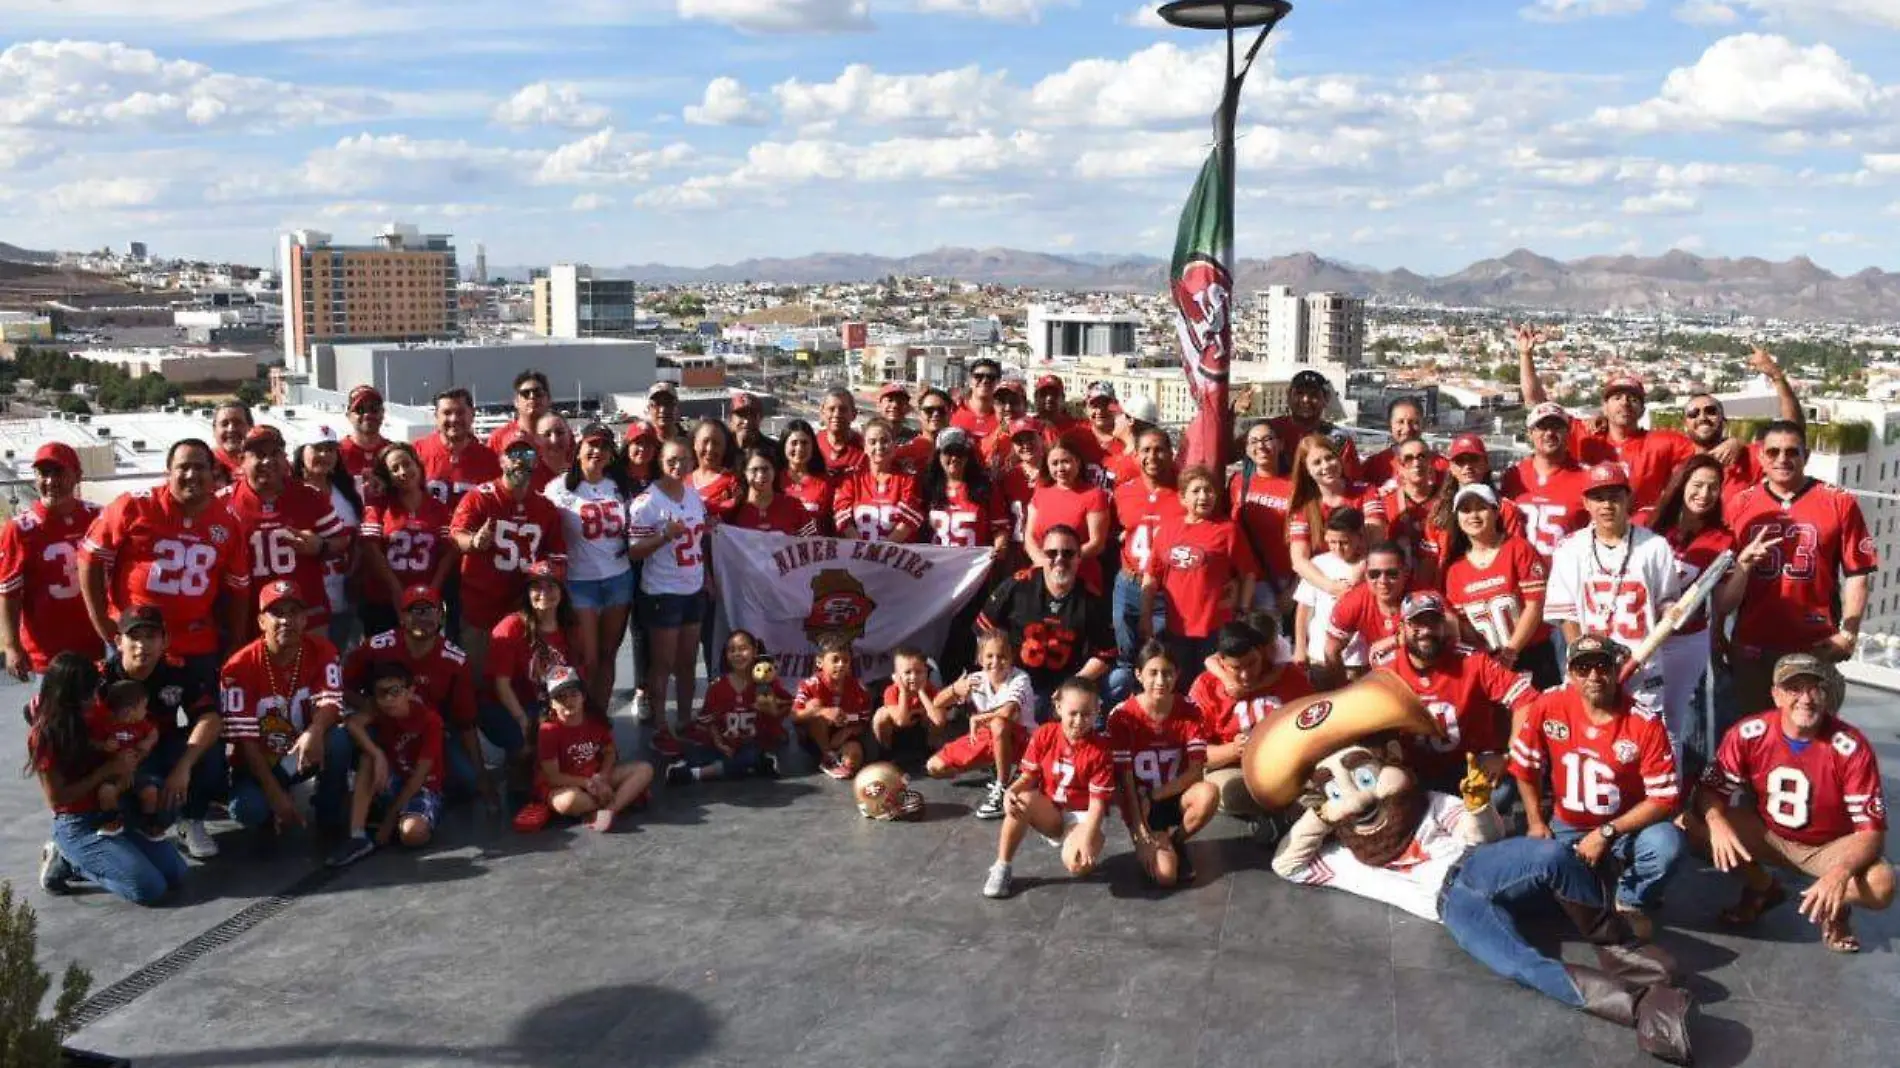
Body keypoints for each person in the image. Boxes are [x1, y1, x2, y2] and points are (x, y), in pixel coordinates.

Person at [1689, 654, 1894, 954]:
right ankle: (1763, 888)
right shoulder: (1749, 733)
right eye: (1794, 688)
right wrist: (1718, 822)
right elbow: (1710, 791)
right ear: (1775, 695)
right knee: (1693, 822)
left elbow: (1871, 833)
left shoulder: (1850, 746)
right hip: (1769, 834)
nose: (1806, 699)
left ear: (1827, 695)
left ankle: (1834, 907)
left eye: (1815, 689)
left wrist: (1840, 874)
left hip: (1828, 847)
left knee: (1881, 884)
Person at [1511, 635, 1684, 940]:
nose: (1594, 676)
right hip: (1567, 823)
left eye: (1602, 666)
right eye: (1583, 668)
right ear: (1570, 673)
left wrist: (1606, 833)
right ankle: (1595, 876)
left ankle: (1630, 899)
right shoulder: (1548, 705)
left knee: (1666, 846)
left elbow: (1664, 798)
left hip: (1626, 828)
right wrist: (1536, 823)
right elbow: (1525, 765)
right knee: (1530, 897)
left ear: (1616, 670)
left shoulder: (1644, 722)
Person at [1725, 419, 1877, 716]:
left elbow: (1858, 571)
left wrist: (1849, 632)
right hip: (1752, 643)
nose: (1782, 459)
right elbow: (1725, 578)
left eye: (1792, 451)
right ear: (1760, 456)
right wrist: (1720, 635)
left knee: (1812, 740)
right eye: (1773, 452)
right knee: (1755, 736)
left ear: (1806, 456)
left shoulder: (1839, 501)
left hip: (1814, 645)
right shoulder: (1738, 504)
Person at [80, 439, 251, 691]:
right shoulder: (134, 505)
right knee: (126, 719)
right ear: (168, 472)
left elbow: (238, 588)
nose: (192, 474)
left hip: (195, 640)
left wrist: (235, 641)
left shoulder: (227, 521)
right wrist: (101, 621)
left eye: (200, 467)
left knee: (206, 715)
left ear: (212, 472)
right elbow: (89, 559)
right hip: (138, 638)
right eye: (183, 467)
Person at [30, 653, 188, 904]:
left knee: (176, 873)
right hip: (78, 821)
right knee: (150, 888)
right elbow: (58, 798)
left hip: (115, 810)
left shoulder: (96, 711)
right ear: (68, 697)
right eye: (87, 696)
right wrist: (107, 771)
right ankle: (68, 861)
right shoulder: (47, 736)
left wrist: (131, 761)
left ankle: (118, 849)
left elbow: (132, 727)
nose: (94, 700)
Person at [1544, 463, 1681, 718]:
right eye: (1598, 498)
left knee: (1646, 744)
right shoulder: (1569, 549)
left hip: (1642, 668)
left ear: (1628, 498)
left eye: (1615, 497)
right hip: (1590, 673)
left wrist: (1671, 612)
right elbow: (1566, 615)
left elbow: (1666, 603)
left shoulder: (1655, 546)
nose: (1607, 505)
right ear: (1585, 503)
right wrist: (1585, 660)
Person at [1515, 324, 1697, 511]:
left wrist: (1728, 445)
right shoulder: (1586, 435)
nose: (1624, 403)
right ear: (1604, 407)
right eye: (1617, 398)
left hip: (1642, 532)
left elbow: (1707, 453)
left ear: (1643, 409)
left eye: (1633, 399)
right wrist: (1525, 356)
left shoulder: (1661, 443)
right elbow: (1538, 404)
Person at [220, 579, 352, 836]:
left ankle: (328, 810)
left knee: (337, 739)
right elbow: (245, 743)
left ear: (304, 619)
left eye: (294, 613)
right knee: (248, 809)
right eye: (277, 613)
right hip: (258, 762)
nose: (286, 620)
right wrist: (275, 795)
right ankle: (269, 811)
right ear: (261, 622)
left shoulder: (322, 650)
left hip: (299, 754)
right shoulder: (238, 668)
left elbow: (332, 702)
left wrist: (313, 731)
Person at [99, 605, 225, 859]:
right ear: (118, 642)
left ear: (165, 640)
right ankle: (75, 838)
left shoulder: (177, 670)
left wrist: (184, 766)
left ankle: (191, 820)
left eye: (151, 636)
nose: (142, 646)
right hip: (112, 763)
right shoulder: (100, 678)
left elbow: (210, 718)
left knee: (210, 748)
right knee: (120, 822)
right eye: (134, 637)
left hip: (159, 752)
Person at [1385, 591, 1536, 794]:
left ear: (1444, 626)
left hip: (1471, 766)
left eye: (1433, 622)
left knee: (1501, 793)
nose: (1426, 630)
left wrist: (1507, 755)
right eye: (1416, 623)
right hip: (1417, 774)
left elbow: (1527, 698)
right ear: (1402, 628)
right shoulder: (1387, 672)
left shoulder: (1472, 661)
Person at [343, 585, 483, 802]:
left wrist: (482, 774)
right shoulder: (376, 647)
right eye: (414, 611)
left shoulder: (456, 660)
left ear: (440, 616)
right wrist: (370, 706)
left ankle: (427, 799)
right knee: (342, 741)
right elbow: (341, 687)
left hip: (428, 733)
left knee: (468, 780)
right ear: (402, 617)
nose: (422, 618)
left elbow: (466, 722)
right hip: (382, 727)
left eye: (429, 611)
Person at [1640, 455, 1736, 770]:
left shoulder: (1722, 538)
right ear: (1682, 484)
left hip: (1686, 640)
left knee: (1673, 721)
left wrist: (1744, 565)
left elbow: (1722, 603)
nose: (1705, 494)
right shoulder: (1647, 523)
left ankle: (1670, 795)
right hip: (1642, 636)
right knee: (1639, 715)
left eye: (1713, 487)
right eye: (1698, 485)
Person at [982, 679, 1115, 899]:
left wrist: (1088, 836)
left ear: (1096, 712)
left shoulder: (1100, 750)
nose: (1079, 721)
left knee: (1078, 864)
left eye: (1086, 714)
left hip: (1082, 817)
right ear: (1059, 707)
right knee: (1021, 800)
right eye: (1073, 713)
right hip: (1052, 810)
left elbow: (1097, 804)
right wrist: (1011, 791)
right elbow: (1028, 776)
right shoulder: (1045, 734)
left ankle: (1081, 841)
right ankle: (1002, 865)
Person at [450, 437, 567, 686]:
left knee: (525, 678)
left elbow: (557, 556)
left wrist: (545, 587)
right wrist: (474, 542)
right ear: (501, 460)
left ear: (537, 462)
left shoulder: (545, 506)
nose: (519, 462)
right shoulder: (480, 497)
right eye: (513, 455)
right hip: (482, 604)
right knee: (477, 677)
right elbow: (456, 535)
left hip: (525, 607)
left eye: (527, 455)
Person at [222, 425, 350, 639]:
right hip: (250, 616)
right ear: (242, 459)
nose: (267, 461)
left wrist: (321, 546)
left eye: (274, 454)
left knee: (310, 668)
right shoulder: (223, 503)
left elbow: (342, 540)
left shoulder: (310, 496)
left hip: (306, 612)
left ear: (285, 457)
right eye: (259, 455)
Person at [978, 526, 1117, 718]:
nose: (1059, 559)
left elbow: (1106, 653)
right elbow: (984, 630)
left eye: (1068, 553)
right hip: (1015, 681)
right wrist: (998, 674)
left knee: (1118, 679)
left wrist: (1074, 684)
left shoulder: (1091, 599)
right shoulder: (1017, 585)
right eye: (1052, 553)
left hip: (1063, 686)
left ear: (1079, 557)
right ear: (1042, 556)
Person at [1108, 642, 1216, 888]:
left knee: (1209, 793)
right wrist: (1140, 831)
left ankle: (1177, 841)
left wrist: (1154, 795)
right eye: (1153, 673)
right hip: (1141, 805)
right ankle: (1157, 841)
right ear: (1138, 674)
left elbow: (1195, 771)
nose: (1160, 680)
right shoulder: (1122, 716)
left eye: (1167, 673)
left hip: (1167, 795)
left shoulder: (1189, 709)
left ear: (1177, 674)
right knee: (1166, 877)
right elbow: (1124, 780)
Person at [545, 423, 637, 714]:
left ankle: (601, 716)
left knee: (609, 655)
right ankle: (581, 717)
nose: (597, 451)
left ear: (612, 454)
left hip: (618, 577)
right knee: (588, 657)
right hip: (579, 581)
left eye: (604, 447)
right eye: (592, 445)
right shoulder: (558, 488)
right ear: (579, 448)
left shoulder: (619, 485)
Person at [627, 438, 709, 758]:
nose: (679, 466)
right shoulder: (647, 501)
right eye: (672, 460)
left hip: (692, 587)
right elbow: (634, 550)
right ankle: (661, 726)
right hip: (663, 590)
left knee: (687, 662)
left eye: (684, 459)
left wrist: (708, 577)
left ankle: (686, 720)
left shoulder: (693, 495)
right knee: (662, 663)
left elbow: (698, 540)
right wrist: (664, 536)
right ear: (661, 462)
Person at [1190, 615, 1312, 825]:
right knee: (1224, 790)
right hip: (1237, 770)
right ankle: (1286, 812)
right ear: (1221, 662)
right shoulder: (1206, 686)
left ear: (1262, 652)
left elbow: (1316, 723)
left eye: (1252, 663)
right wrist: (1234, 749)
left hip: (1289, 763)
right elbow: (1196, 753)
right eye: (1236, 668)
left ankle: (1288, 811)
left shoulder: (1288, 674)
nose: (1246, 675)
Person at [1142, 465, 1259, 678]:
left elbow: (1248, 574)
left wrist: (1242, 609)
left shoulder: (1228, 530)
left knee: (1212, 683)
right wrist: (1146, 615)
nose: (1204, 496)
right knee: (1181, 682)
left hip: (1215, 627)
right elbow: (1151, 576)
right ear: (1182, 498)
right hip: (1176, 627)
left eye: (1209, 490)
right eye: (1196, 491)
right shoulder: (1167, 530)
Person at [1, 442, 102, 681]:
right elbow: (9, 592)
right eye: (44, 473)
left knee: (100, 716)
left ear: (77, 476)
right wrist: (12, 646)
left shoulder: (99, 518)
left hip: (98, 643)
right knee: (52, 717)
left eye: (59, 472)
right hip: (48, 651)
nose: (51, 481)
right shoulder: (19, 529)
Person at [329, 660, 444, 868]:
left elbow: (419, 777)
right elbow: (352, 723)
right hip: (393, 779)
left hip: (421, 786)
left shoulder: (430, 721)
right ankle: (358, 836)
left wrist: (390, 821)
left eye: (396, 691)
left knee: (412, 834)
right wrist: (377, 753)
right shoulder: (380, 710)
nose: (390, 699)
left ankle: (395, 820)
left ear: (410, 691)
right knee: (368, 758)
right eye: (382, 693)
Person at [1441, 483, 1558, 687]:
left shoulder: (1519, 549)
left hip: (1533, 655)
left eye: (1481, 508)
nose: (1473, 516)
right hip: (1489, 663)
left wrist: (1510, 651)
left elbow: (1535, 605)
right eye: (1466, 510)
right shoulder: (1455, 570)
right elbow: (1464, 625)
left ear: (1496, 511)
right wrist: (1487, 657)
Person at [517, 666, 654, 833]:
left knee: (645, 770)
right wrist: (588, 783)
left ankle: (609, 810)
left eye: (574, 694)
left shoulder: (595, 721)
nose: (568, 701)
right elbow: (553, 777)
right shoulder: (548, 731)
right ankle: (622, 798)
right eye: (560, 697)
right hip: (565, 786)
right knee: (570, 801)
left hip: (596, 780)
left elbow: (610, 752)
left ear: (583, 697)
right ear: (551, 704)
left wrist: (602, 776)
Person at [926, 631, 1034, 820]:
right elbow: (937, 703)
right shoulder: (976, 679)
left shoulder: (1019, 678)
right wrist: (955, 689)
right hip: (989, 737)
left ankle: (1002, 786)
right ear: (979, 659)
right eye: (990, 656)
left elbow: (1009, 712)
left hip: (1023, 741)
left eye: (1002, 656)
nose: (996, 662)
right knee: (935, 767)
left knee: (999, 724)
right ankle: (997, 765)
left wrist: (977, 718)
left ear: (1011, 657)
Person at [484, 560, 576, 779]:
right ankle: (518, 759)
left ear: (562, 592)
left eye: (551, 586)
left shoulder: (570, 628)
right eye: (537, 587)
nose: (544, 593)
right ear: (527, 593)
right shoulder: (510, 627)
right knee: (532, 744)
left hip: (546, 703)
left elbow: (574, 678)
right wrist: (524, 722)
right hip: (505, 706)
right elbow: (502, 686)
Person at [358, 442, 458, 641]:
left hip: (424, 600)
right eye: (394, 469)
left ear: (417, 465)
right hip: (383, 600)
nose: (403, 472)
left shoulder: (438, 508)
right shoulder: (379, 506)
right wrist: (395, 589)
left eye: (406, 464)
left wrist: (434, 589)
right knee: (384, 662)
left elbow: (449, 551)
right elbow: (370, 548)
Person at [1680, 346, 1801, 500]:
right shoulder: (1674, 457)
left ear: (1724, 422)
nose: (1702, 417)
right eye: (1693, 413)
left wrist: (1776, 376)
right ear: (1685, 424)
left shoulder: (1747, 458)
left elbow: (1793, 432)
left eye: (1711, 411)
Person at [668, 629, 787, 784]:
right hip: (723, 744)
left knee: (749, 756)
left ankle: (695, 774)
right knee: (696, 753)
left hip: (752, 743)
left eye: (743, 649)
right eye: (732, 650)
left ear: (754, 650)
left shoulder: (766, 683)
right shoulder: (717, 687)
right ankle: (752, 767)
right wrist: (719, 742)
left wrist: (769, 707)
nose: (737, 654)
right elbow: (709, 719)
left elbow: (784, 709)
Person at [1113, 426, 1183, 665]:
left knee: (1161, 654)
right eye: (1146, 450)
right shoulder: (1123, 492)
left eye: (1159, 450)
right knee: (1126, 652)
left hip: (1166, 587)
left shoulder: (1184, 493)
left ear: (1171, 453)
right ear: (1136, 455)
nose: (1152, 456)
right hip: (1129, 581)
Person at [1287, 432, 1385, 600]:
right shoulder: (1304, 508)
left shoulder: (1365, 491)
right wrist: (1332, 587)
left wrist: (1356, 576)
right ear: (1307, 470)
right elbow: (1299, 560)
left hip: (1365, 577)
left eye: (1329, 458)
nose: (1326, 466)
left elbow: (1376, 538)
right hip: (1323, 585)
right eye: (1317, 462)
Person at [292, 425, 364, 652]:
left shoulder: (349, 490)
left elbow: (360, 538)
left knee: (344, 658)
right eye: (318, 449)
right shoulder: (289, 492)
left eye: (331, 450)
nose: (325, 455)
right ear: (301, 452)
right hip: (306, 600)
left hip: (345, 593)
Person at [1501, 402, 1594, 559]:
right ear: (1530, 433)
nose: (1549, 433)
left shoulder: (1587, 476)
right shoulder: (1513, 475)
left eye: (1557, 427)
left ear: (1568, 432)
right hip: (1521, 575)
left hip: (1567, 576)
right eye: (1542, 427)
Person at [1424, 433, 1525, 575]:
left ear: (1486, 464)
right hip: (1452, 584)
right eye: (1460, 461)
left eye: (1474, 460)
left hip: (1494, 581)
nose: (1468, 467)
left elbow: (1516, 553)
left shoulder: (1506, 510)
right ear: (1451, 467)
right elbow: (1432, 562)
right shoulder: (1438, 511)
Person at [1291, 508, 1369, 681]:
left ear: (1359, 537)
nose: (1338, 548)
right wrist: (1300, 647)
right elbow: (1304, 610)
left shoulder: (1371, 566)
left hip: (1357, 658)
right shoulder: (1319, 564)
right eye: (1332, 542)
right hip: (1320, 656)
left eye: (1344, 542)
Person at [1322, 540, 1410, 684]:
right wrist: (1343, 692)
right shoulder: (1352, 602)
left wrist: (1396, 641)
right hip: (1381, 678)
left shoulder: (1421, 595)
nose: (1383, 581)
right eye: (1374, 574)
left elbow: (1449, 630)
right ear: (1366, 574)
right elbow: (1331, 649)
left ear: (1405, 572)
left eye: (1392, 573)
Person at [1025, 441, 1110, 586]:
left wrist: (1061, 561)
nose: (1060, 468)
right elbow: (1029, 537)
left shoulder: (1094, 495)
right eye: (1054, 463)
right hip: (1043, 575)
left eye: (1065, 461)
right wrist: (1042, 562)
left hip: (1081, 578)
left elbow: (1096, 543)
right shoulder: (1040, 493)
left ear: (1077, 461)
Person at [1227, 421, 1291, 614]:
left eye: (1267, 439)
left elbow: (1309, 541)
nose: (1260, 446)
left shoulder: (1296, 485)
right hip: (1242, 580)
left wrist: (1293, 590)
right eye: (1253, 441)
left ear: (1281, 444)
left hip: (1278, 582)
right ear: (1246, 449)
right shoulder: (1237, 483)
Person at [87, 679, 160, 838]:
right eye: (143, 707)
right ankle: (112, 820)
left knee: (150, 791)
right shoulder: (107, 724)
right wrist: (103, 745)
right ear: (129, 711)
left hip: (136, 770)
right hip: (114, 772)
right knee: (106, 792)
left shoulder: (142, 724)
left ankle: (149, 822)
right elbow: (90, 741)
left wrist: (147, 742)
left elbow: (154, 733)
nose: (145, 712)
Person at [793, 633, 872, 779]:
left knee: (853, 757)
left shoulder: (859, 688)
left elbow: (865, 720)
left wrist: (847, 731)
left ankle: (840, 762)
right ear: (820, 662)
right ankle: (827, 756)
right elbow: (794, 716)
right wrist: (822, 711)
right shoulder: (809, 685)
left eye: (845, 660)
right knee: (814, 705)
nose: (841, 665)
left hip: (843, 738)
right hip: (813, 740)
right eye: (835, 660)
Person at [831, 417, 922, 542]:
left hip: (897, 554)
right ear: (865, 447)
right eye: (872, 442)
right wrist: (864, 549)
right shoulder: (852, 478)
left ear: (894, 444)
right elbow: (842, 518)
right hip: (859, 554)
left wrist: (882, 551)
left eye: (885, 441)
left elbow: (909, 521)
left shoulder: (907, 479)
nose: (879, 446)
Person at [416, 388, 504, 510]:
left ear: (472, 414)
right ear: (436, 416)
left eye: (460, 412)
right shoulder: (416, 453)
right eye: (447, 413)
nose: (454, 419)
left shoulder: (491, 460)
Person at [1268, 370, 1361, 478]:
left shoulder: (1338, 440)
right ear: (1288, 396)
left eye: (1314, 395)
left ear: (1326, 398)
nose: (1305, 399)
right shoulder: (1271, 430)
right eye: (1299, 393)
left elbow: (1353, 482)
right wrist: (1243, 411)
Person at [1376, 436, 1443, 583]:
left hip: (1439, 580)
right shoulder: (1386, 501)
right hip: (1399, 583)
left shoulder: (1445, 501)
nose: (1417, 463)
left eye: (1421, 456)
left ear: (1431, 461)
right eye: (1408, 458)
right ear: (1400, 466)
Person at [1360, 398, 1446, 489]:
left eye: (1414, 422)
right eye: (1400, 422)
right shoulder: (1373, 465)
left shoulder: (1442, 466)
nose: (1407, 428)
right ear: (1390, 425)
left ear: (1423, 424)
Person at [728, 446, 816, 536]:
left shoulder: (793, 505)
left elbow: (811, 543)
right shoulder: (735, 510)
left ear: (774, 470)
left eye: (765, 469)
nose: (761, 475)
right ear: (744, 472)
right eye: (754, 470)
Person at [870, 645, 937, 752]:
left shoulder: (930, 689)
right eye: (907, 672)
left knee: (937, 712)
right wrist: (903, 692)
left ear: (926, 672)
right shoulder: (891, 691)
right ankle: (886, 749)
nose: (913, 677)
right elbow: (901, 721)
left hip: (920, 725)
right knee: (881, 716)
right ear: (896, 675)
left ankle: (930, 746)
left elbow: (939, 720)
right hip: (897, 726)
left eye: (919, 672)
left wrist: (921, 692)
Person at [995, 418, 1049, 552]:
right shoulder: (1007, 477)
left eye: (1030, 438)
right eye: (1019, 441)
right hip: (1016, 548)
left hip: (1047, 547)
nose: (1025, 445)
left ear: (1041, 438)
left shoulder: (1054, 473)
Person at [778, 420, 833, 536]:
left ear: (813, 446)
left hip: (812, 549)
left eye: (804, 443)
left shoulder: (825, 482)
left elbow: (829, 524)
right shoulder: (773, 479)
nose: (799, 448)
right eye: (794, 443)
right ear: (784, 445)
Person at [338, 385, 389, 497]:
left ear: (383, 413)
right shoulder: (336, 453)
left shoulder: (393, 452)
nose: (367, 415)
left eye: (373, 409)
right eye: (360, 410)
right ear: (349, 415)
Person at [487, 369, 552, 454]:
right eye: (525, 393)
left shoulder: (559, 435)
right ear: (516, 402)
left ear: (549, 399)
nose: (532, 397)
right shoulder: (499, 437)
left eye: (538, 393)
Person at [895, 388, 954, 475]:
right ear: (919, 414)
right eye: (929, 410)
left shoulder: (960, 451)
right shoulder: (905, 452)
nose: (935, 414)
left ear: (950, 413)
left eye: (941, 410)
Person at [689, 418, 741, 519]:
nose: (710, 449)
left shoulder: (732, 482)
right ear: (695, 443)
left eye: (716, 443)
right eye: (705, 441)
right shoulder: (682, 481)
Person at [951, 357, 1004, 443]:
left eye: (991, 377)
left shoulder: (1003, 416)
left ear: (997, 382)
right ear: (970, 380)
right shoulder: (953, 411)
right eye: (978, 376)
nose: (985, 381)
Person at [816, 386, 866, 476]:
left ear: (854, 414)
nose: (837, 414)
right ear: (822, 413)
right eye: (831, 409)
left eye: (843, 410)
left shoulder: (865, 448)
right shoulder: (812, 444)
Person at [531, 411, 575, 495]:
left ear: (569, 435)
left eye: (560, 433)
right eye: (547, 434)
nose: (554, 440)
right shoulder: (529, 477)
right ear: (536, 439)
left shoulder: (580, 473)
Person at [210, 400, 253, 484]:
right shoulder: (205, 463)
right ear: (214, 430)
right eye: (224, 424)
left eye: (238, 423)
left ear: (250, 427)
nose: (231, 429)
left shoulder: (264, 462)